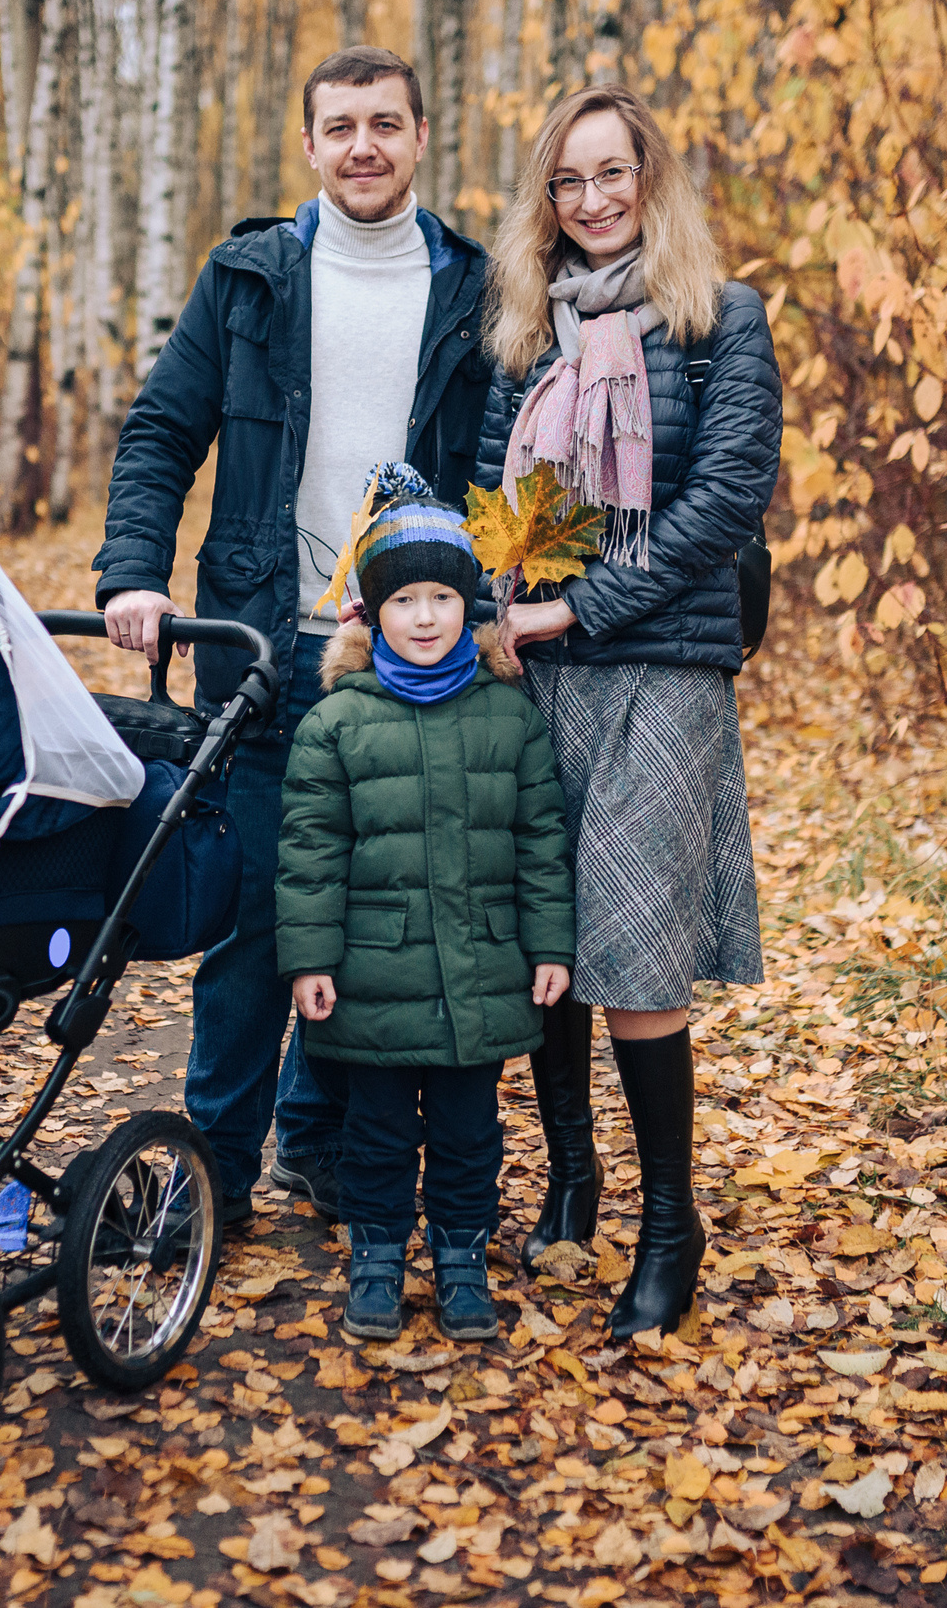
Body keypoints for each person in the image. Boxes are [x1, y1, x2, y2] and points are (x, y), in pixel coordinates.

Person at [95, 47, 494, 1227]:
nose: (362, 145)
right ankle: (211, 1167)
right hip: (264, 645)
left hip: (405, 653)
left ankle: (314, 1141)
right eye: (339, 126)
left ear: (420, 135)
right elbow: (163, 430)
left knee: (371, 920)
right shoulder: (251, 277)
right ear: (309, 145)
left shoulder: (474, 286)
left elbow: (504, 462)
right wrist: (132, 572)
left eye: (385, 123)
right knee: (262, 917)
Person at [473, 83, 781, 1339]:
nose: (593, 200)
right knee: (549, 937)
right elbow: (481, 495)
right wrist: (466, 608)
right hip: (535, 671)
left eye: (613, 174)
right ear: (544, 205)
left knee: (638, 950)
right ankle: (568, 1178)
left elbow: (725, 503)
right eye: (568, 182)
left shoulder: (722, 321)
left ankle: (669, 1219)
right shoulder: (521, 337)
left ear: (651, 181)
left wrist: (581, 607)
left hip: (663, 663)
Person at [275, 477, 573, 1340]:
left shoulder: (507, 715)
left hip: (479, 970)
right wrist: (310, 961)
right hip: (375, 971)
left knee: (467, 1130)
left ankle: (460, 1256)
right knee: (373, 1132)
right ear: (373, 611)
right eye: (404, 598)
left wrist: (549, 945)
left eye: (444, 595)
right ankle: (376, 1256)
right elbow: (310, 856)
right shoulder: (337, 724)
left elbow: (540, 841)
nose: (427, 615)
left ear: (468, 605)